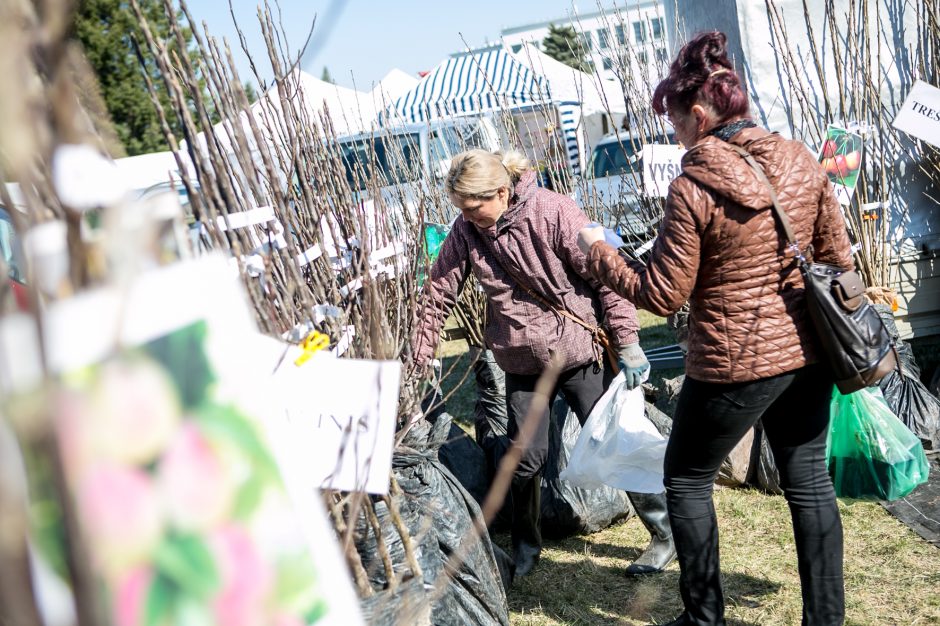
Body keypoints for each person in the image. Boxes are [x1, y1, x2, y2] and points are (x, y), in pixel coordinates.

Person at [578, 31, 851, 626]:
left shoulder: (693, 186)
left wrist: (599, 254)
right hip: (808, 350)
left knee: (685, 479)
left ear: (699, 116)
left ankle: (705, 619)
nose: (673, 133)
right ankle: (826, 620)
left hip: (736, 361)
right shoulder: (802, 161)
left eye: (674, 120)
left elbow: (662, 292)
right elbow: (838, 258)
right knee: (808, 481)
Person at [411, 148, 676, 578]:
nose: (468, 216)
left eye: (475, 207)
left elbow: (606, 274)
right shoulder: (465, 231)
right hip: (521, 362)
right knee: (524, 457)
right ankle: (527, 544)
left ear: (501, 191)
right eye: (461, 209)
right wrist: (420, 356)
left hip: (578, 352)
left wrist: (627, 340)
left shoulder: (554, 212)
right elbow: (437, 293)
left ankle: (664, 534)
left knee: (613, 439)